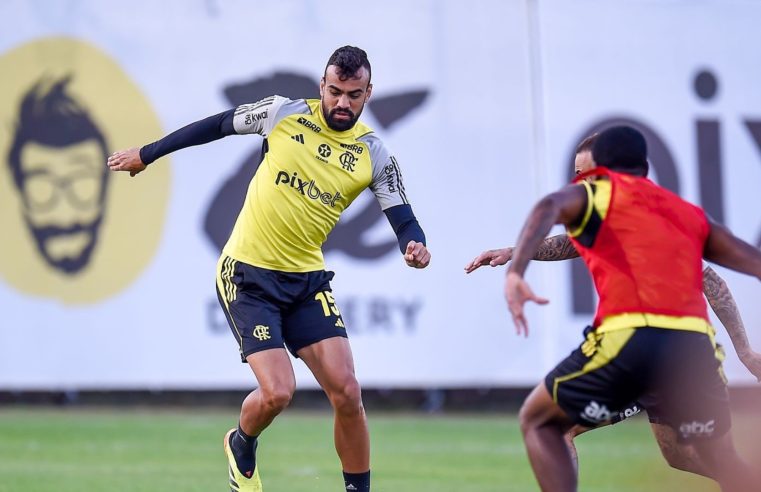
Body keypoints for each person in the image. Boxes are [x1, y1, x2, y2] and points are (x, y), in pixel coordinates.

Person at [107, 46, 431, 492]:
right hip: (247, 275)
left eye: (353, 95)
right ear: (322, 85)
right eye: (334, 91)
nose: (342, 103)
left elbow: (404, 218)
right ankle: (241, 443)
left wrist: (415, 245)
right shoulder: (283, 113)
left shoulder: (373, 154)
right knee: (279, 391)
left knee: (349, 393)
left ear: (368, 93)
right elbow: (217, 125)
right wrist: (149, 153)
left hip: (305, 280)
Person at [473, 125, 761, 491]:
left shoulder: (598, 196)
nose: (578, 182)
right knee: (696, 457)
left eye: (584, 173)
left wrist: (517, 271)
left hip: (631, 341)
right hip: (693, 351)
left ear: (604, 169)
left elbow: (550, 206)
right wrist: (745, 351)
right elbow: (728, 273)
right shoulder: (680, 213)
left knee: (543, 422)